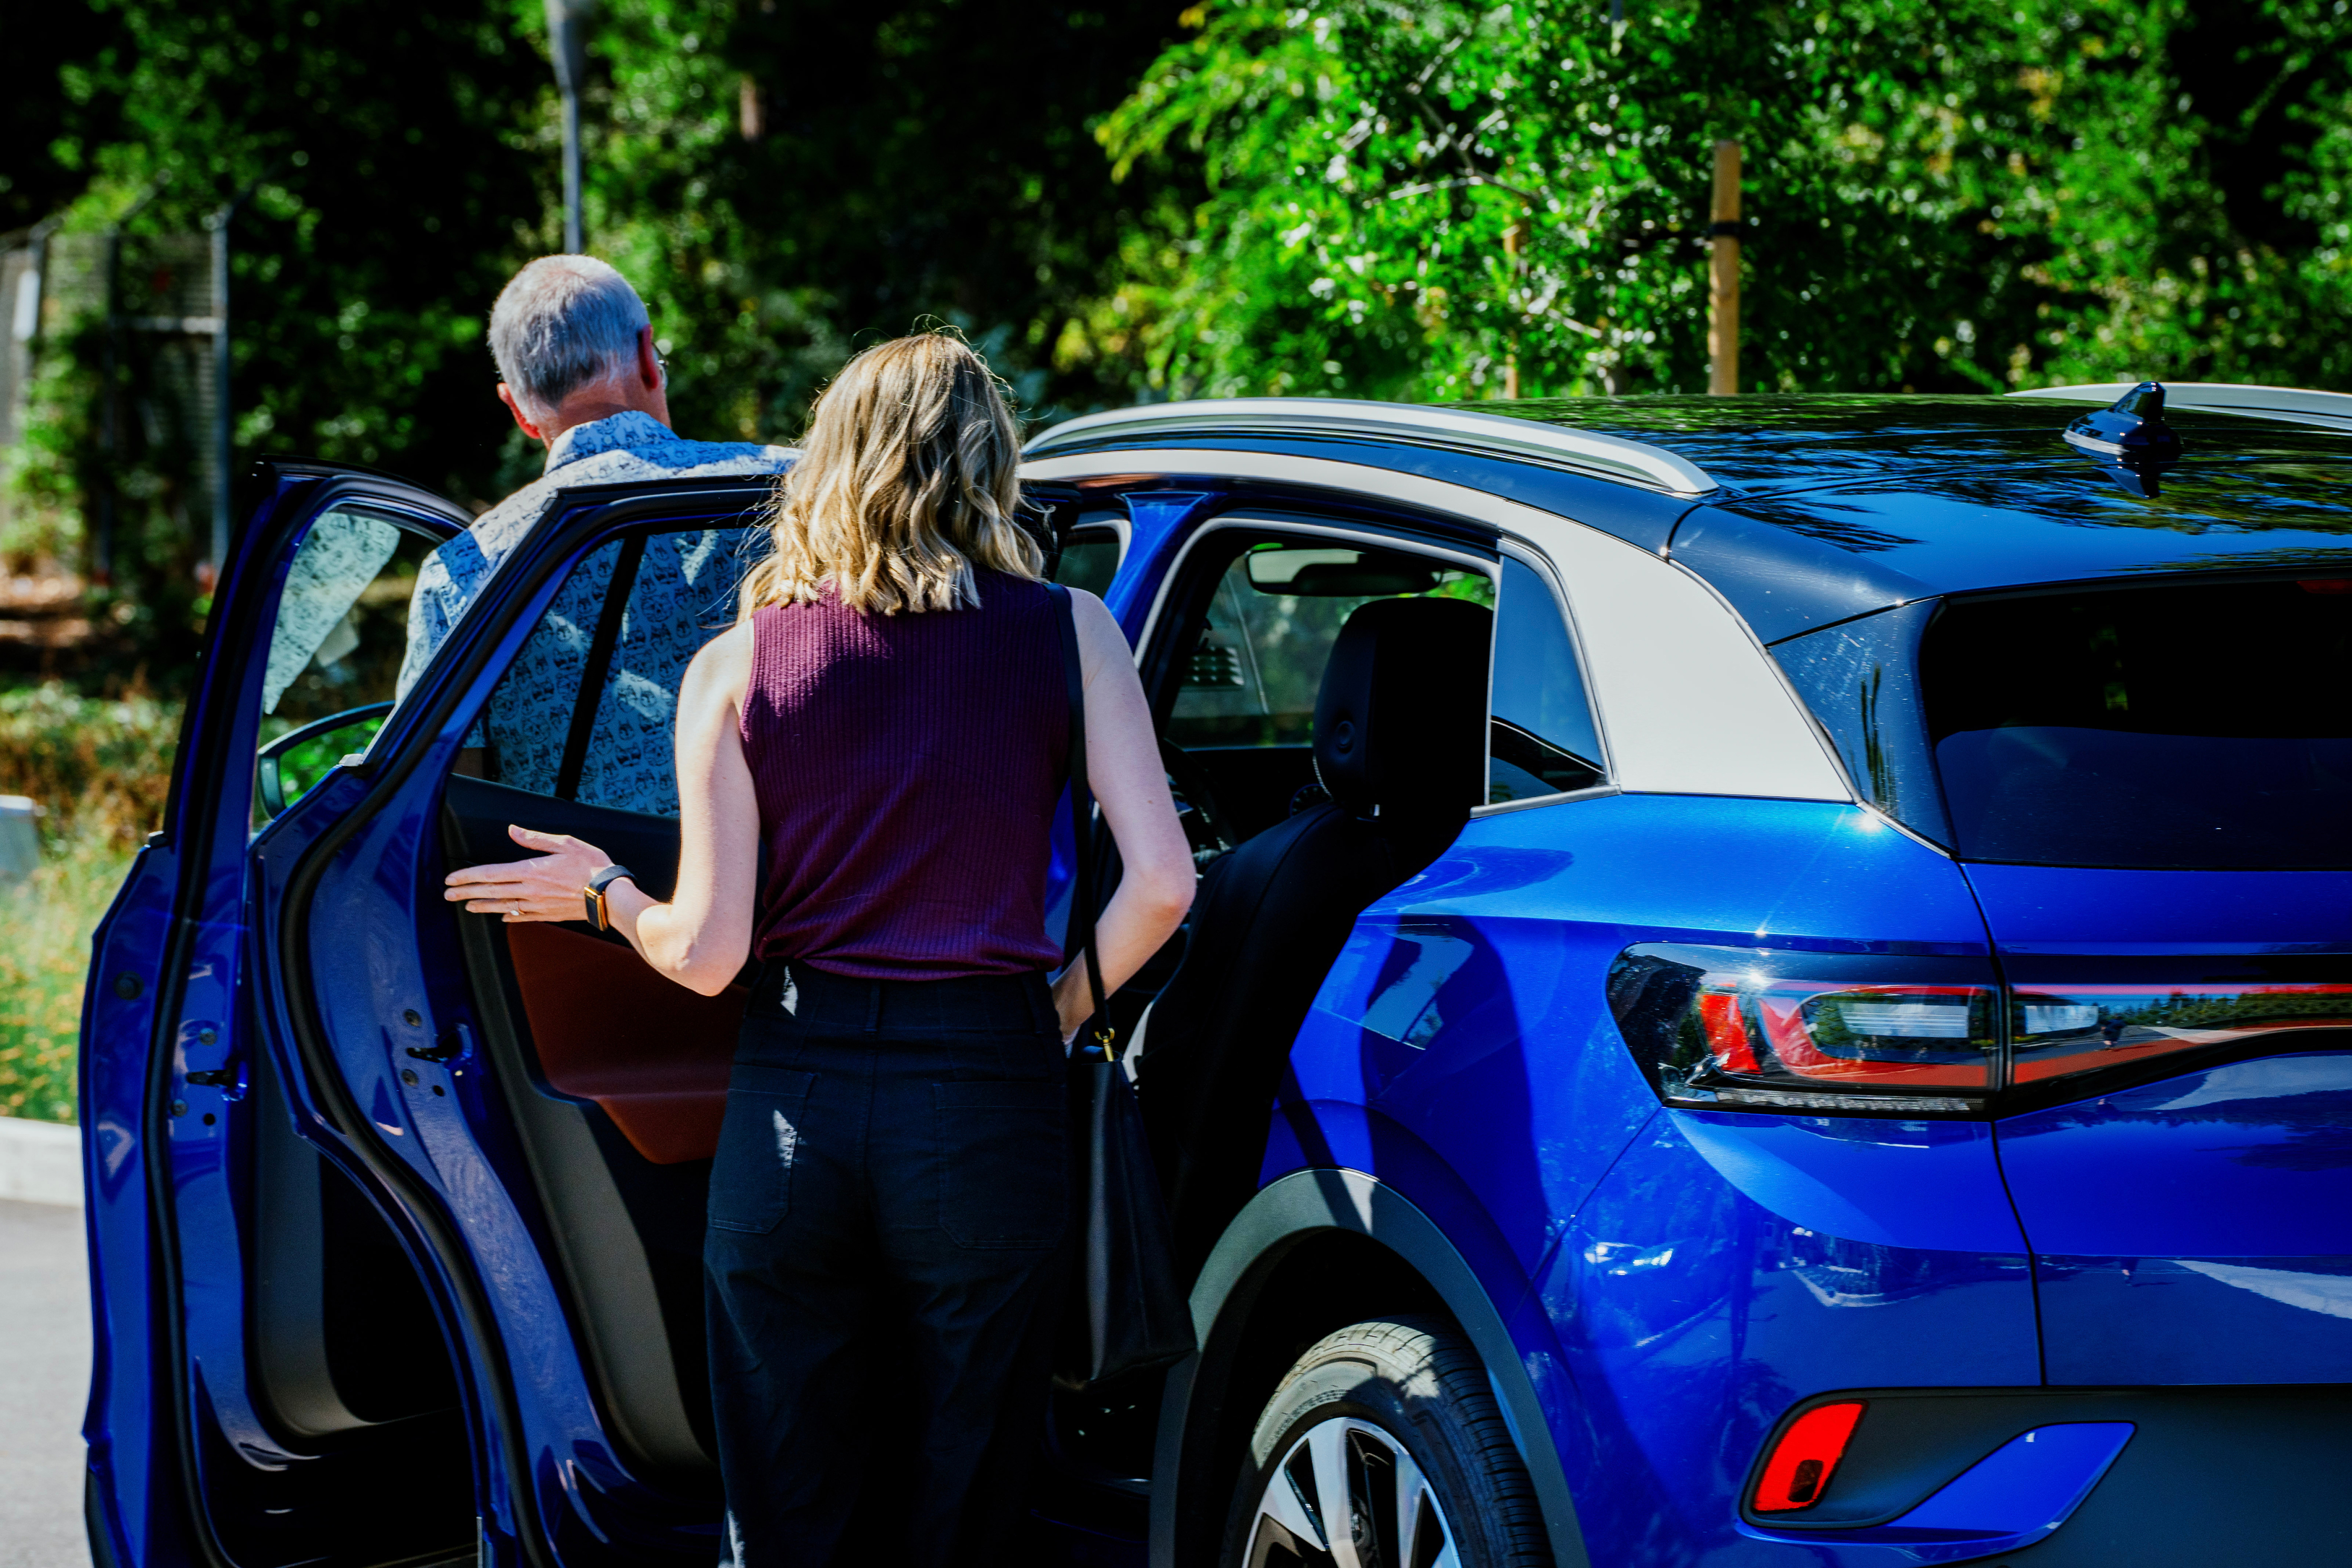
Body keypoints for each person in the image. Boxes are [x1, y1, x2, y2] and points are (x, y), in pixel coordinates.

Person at [438, 333, 1195, 1566]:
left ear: (828, 463)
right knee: (969, 1486)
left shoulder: (737, 664)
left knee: (789, 1502)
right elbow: (1163, 883)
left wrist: (604, 894)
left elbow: (707, 950)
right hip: (991, 1102)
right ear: (989, 463)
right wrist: (1050, 1015)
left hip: (798, 1109)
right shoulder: (1073, 630)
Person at [396, 254, 793, 811]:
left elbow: (448, 804)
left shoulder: (460, 572)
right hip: (795, 893)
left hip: (573, 895)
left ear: (518, 410)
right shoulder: (798, 492)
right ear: (647, 357)